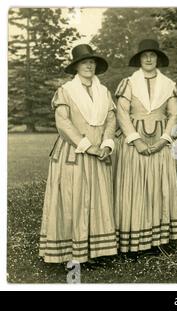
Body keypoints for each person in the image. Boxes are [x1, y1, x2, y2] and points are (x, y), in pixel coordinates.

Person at [39, 44, 117, 263]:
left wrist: (107, 144)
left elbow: (111, 119)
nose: (89, 66)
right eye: (84, 62)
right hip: (73, 152)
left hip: (99, 151)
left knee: (96, 199)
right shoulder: (65, 91)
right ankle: (70, 254)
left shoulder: (104, 92)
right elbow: (63, 123)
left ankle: (94, 251)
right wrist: (88, 146)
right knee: (73, 199)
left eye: (92, 62)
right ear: (76, 67)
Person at [114, 39, 177, 253]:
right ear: (140, 60)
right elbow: (122, 113)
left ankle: (157, 240)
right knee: (135, 186)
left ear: (158, 59)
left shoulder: (168, 85)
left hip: (160, 139)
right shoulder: (129, 83)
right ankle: (133, 241)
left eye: (153, 55)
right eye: (145, 56)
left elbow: (174, 114)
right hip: (135, 140)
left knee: (158, 186)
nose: (149, 59)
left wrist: (164, 139)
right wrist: (136, 139)